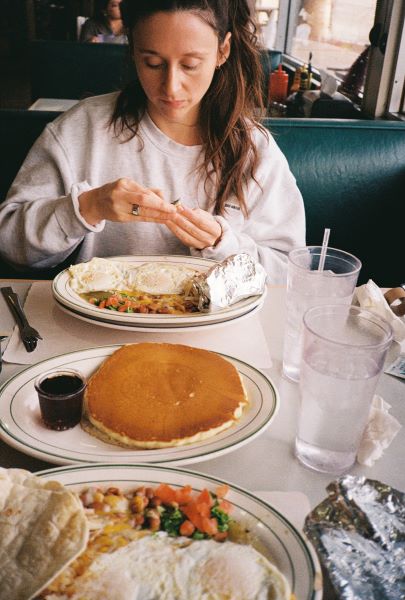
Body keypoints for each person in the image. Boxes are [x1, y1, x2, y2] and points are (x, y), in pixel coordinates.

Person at [0, 0, 305, 283]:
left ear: (222, 51)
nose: (171, 87)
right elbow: (11, 248)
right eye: (153, 63)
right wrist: (87, 207)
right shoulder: (82, 129)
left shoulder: (256, 150)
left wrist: (222, 245)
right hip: (99, 328)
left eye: (190, 65)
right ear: (133, 50)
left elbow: (289, 276)